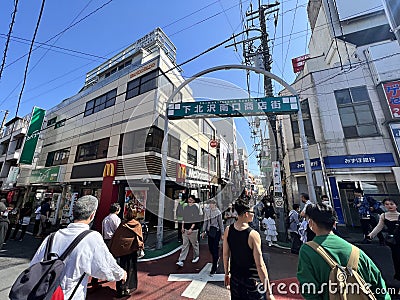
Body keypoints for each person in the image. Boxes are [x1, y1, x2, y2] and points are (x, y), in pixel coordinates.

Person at [30, 195, 127, 299]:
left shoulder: (52, 237)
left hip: (44, 292)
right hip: (70, 294)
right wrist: (121, 274)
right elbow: (104, 266)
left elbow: (34, 265)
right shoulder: (92, 237)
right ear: (92, 215)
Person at [297, 203, 389, 299]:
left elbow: (308, 289)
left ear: (311, 223)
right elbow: (379, 286)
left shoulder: (307, 250)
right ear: (334, 223)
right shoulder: (356, 251)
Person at [223, 199, 275, 300]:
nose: (253, 215)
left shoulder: (228, 230)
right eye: (252, 212)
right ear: (246, 214)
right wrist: (268, 291)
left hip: (235, 279)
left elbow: (225, 254)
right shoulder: (253, 235)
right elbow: (260, 264)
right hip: (251, 281)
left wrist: (226, 273)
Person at [109, 200, 144, 298]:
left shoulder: (123, 224)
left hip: (121, 251)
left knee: (121, 268)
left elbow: (117, 237)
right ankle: (128, 288)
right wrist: (140, 247)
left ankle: (120, 289)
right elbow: (139, 238)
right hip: (132, 251)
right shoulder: (137, 225)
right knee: (131, 269)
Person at [368, 198, 400, 281]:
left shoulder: (399, 215)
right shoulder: (384, 215)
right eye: (387, 204)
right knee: (395, 257)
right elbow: (379, 226)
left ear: (396, 205)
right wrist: (371, 235)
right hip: (393, 240)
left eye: (391, 204)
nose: (389, 206)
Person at [176, 195, 201, 267]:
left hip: (193, 230)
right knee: (185, 245)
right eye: (189, 199)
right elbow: (184, 218)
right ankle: (181, 260)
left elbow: (196, 220)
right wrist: (182, 227)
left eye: (191, 200)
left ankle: (196, 256)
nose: (189, 201)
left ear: (194, 201)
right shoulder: (186, 207)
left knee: (194, 244)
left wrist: (191, 228)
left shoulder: (195, 208)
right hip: (186, 229)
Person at [201, 199, 224, 275]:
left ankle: (214, 267)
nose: (210, 205)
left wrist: (222, 233)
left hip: (216, 231)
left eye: (211, 204)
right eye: (209, 204)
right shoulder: (207, 211)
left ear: (215, 204)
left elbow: (221, 223)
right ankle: (216, 257)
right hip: (209, 230)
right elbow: (205, 221)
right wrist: (203, 231)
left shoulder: (218, 212)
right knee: (211, 248)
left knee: (214, 248)